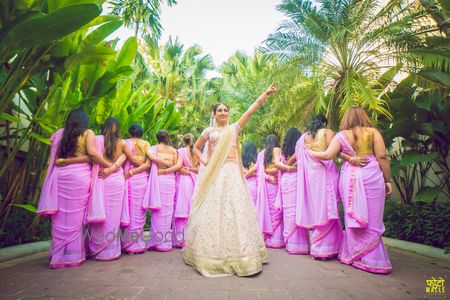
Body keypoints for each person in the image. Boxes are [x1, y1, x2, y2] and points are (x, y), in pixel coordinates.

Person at [183, 85, 278, 277]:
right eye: (220, 110)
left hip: (234, 172)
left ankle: (243, 255)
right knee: (216, 210)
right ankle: (213, 256)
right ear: (214, 114)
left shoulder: (234, 128)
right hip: (216, 173)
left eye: (226, 110)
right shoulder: (209, 131)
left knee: (236, 209)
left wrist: (264, 94)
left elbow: (250, 111)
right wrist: (204, 160)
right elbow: (196, 147)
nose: (224, 113)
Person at [310, 107, 392, 273]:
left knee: (352, 214)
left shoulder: (341, 136)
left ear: (346, 119)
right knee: (373, 216)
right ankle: (373, 260)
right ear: (364, 117)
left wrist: (308, 152)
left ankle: (354, 255)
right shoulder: (373, 133)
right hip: (372, 175)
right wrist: (387, 180)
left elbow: (327, 155)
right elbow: (382, 156)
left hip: (350, 179)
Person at [37, 108, 113, 268]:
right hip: (79, 177)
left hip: (61, 176)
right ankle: (72, 257)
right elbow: (92, 153)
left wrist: (65, 162)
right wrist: (110, 166)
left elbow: (56, 158)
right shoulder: (87, 133)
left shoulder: (59, 134)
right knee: (75, 217)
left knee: (59, 216)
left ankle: (58, 256)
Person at [289, 115, 343, 259]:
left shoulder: (303, 138)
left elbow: (298, 157)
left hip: (311, 178)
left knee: (317, 209)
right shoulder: (327, 133)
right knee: (327, 208)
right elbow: (334, 152)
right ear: (324, 123)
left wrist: (287, 166)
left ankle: (317, 248)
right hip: (325, 173)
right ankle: (326, 249)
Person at [88, 117, 128, 261]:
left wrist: (107, 168)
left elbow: (90, 156)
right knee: (113, 216)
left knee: (100, 212)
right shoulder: (122, 143)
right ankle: (111, 251)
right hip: (116, 180)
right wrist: (115, 165)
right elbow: (131, 158)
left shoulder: (97, 140)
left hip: (101, 178)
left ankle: (97, 250)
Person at [273, 128, 309, 254]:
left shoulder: (282, 152)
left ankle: (291, 244)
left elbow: (277, 164)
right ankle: (300, 244)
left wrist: (287, 168)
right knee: (298, 209)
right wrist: (291, 167)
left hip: (285, 181)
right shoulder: (300, 149)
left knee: (289, 211)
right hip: (296, 178)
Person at [145, 130, 182, 252]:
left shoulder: (153, 148)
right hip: (170, 180)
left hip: (159, 179)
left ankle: (156, 241)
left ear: (157, 137)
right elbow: (177, 165)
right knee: (167, 210)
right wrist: (167, 165)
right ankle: (164, 243)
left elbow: (151, 157)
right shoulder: (173, 150)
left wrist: (162, 166)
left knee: (158, 209)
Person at [120, 124, 151, 254]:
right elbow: (148, 164)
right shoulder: (146, 144)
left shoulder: (124, 142)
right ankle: (137, 244)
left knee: (130, 210)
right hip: (142, 178)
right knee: (139, 211)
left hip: (128, 178)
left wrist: (132, 172)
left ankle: (127, 244)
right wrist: (142, 166)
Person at [256, 134, 284, 248]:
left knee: (269, 210)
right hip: (275, 183)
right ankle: (276, 239)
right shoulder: (278, 150)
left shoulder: (262, 153)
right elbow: (280, 166)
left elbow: (260, 170)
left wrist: (267, 176)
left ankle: (268, 237)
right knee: (276, 210)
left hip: (267, 184)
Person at [173, 133, 198, 248]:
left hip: (183, 181)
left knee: (182, 210)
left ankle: (181, 239)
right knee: (191, 210)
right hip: (195, 182)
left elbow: (179, 168)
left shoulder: (181, 151)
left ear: (184, 142)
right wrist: (191, 171)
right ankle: (192, 239)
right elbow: (198, 169)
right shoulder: (197, 152)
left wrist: (186, 170)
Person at [242, 141, 258, 205]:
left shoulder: (242, 160)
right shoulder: (256, 159)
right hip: (256, 185)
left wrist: (248, 173)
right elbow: (259, 171)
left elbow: (242, 172)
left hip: (246, 185)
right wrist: (253, 173)